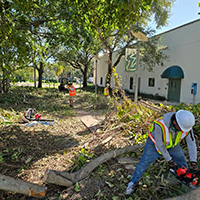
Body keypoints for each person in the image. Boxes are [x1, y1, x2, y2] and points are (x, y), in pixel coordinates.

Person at [126, 109, 198, 195]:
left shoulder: (186, 126)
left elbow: (191, 144)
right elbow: (160, 145)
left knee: (182, 161)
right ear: (175, 122)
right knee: (144, 162)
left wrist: (193, 162)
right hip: (154, 144)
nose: (183, 131)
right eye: (181, 128)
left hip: (171, 144)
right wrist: (170, 160)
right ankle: (132, 183)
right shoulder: (160, 125)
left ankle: (184, 183)